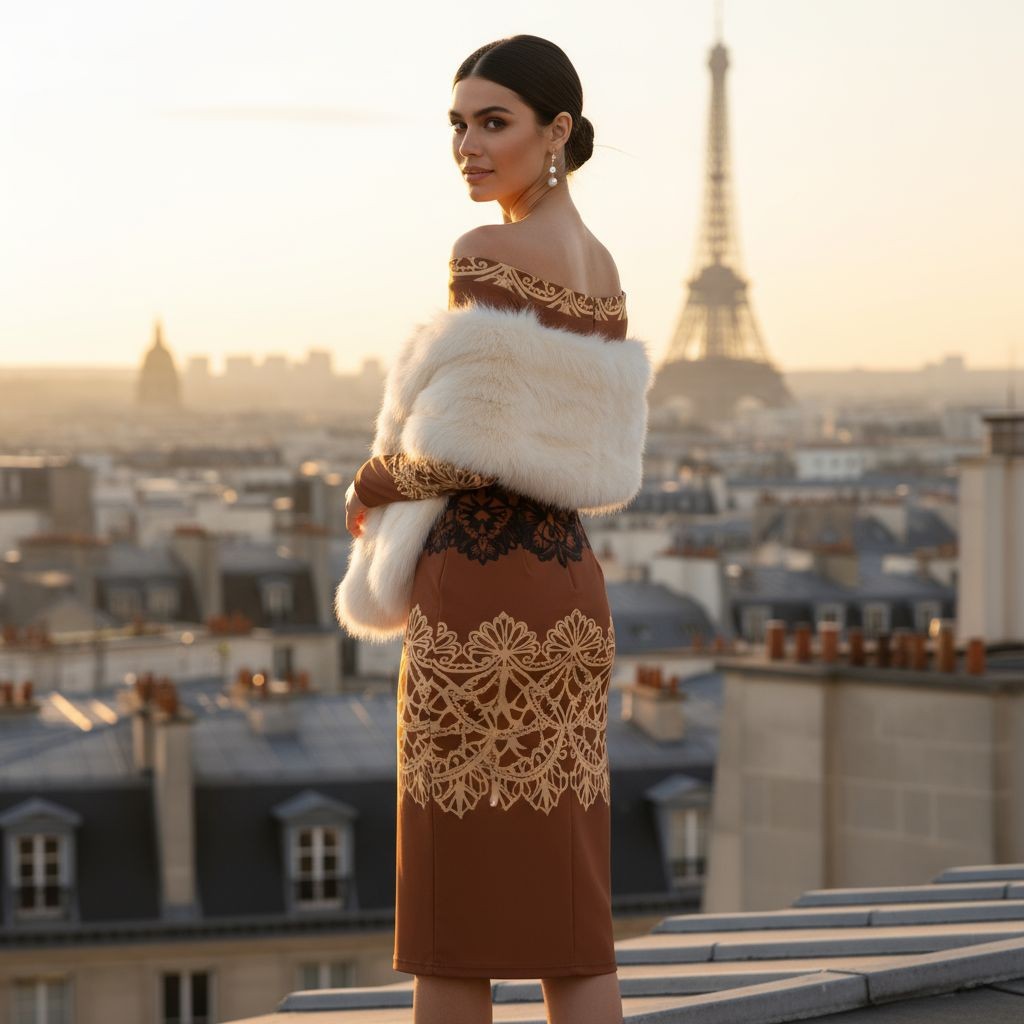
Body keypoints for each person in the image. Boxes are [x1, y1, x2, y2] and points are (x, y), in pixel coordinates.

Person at [338, 34, 650, 1024]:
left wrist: (377, 474)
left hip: (477, 588)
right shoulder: (601, 267)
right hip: (566, 587)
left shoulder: (485, 252)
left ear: (556, 131)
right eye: (459, 124)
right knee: (570, 902)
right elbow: (562, 445)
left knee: (451, 903)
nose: (468, 146)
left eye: (494, 122)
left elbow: (466, 443)